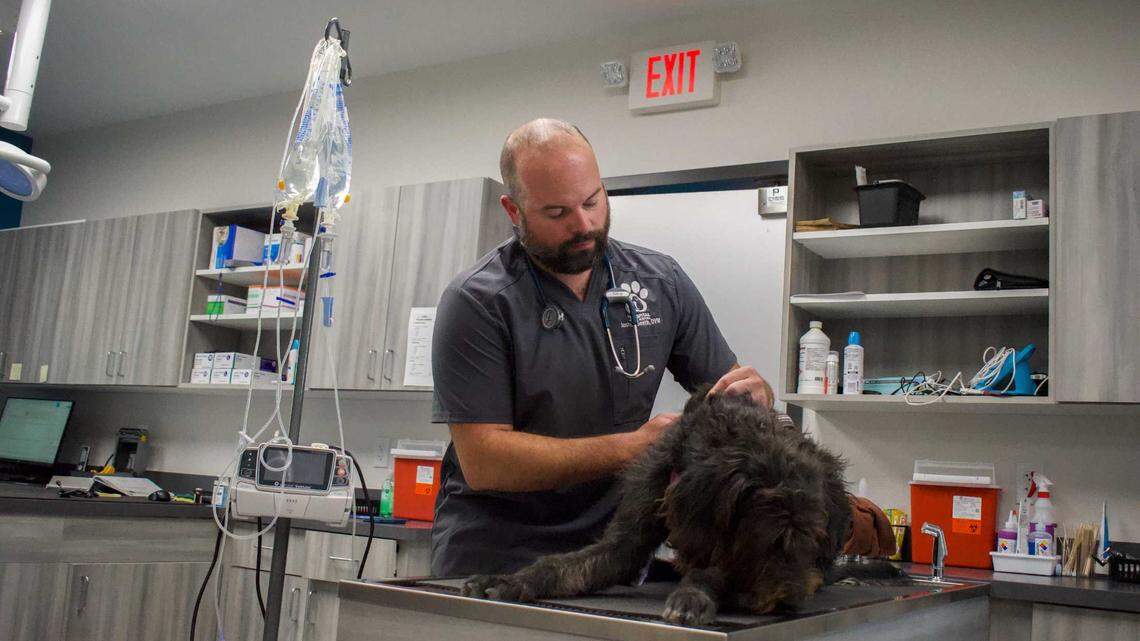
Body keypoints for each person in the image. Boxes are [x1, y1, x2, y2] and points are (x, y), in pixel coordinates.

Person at [429, 118, 773, 576]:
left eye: (592, 201)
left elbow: (727, 396)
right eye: (557, 213)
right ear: (514, 211)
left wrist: (754, 397)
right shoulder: (478, 301)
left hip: (613, 553)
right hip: (497, 553)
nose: (584, 224)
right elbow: (485, 461)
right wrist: (631, 448)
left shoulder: (660, 282)